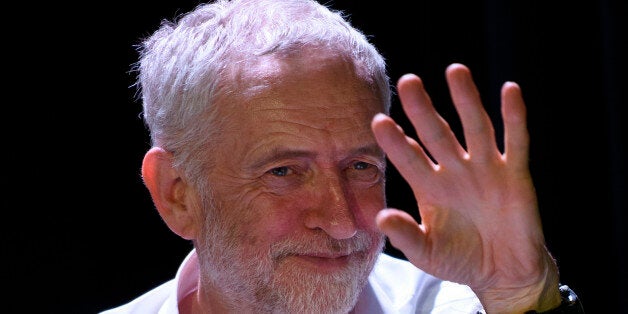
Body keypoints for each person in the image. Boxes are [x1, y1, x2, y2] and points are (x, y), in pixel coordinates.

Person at [102, 0, 585, 313]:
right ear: (177, 195)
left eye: (361, 167)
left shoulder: (471, 307)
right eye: (284, 171)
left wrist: (523, 298)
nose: (342, 221)